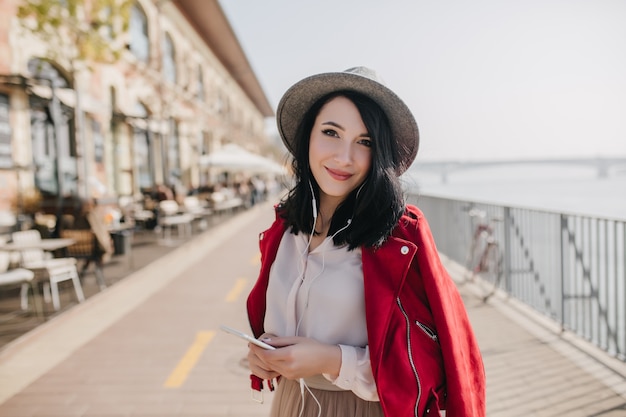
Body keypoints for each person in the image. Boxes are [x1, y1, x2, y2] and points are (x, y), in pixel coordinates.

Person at [246, 67, 486, 416]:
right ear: (307, 137)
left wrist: (331, 359)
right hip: (290, 404)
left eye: (365, 142)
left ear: (380, 154)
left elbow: (432, 364)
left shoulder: (400, 238)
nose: (345, 157)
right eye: (331, 132)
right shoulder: (285, 230)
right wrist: (263, 357)